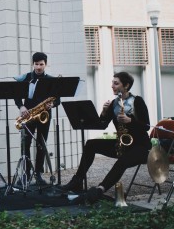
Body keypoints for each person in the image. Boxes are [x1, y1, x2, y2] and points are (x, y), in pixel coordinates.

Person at [61, 72, 151, 203]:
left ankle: (100, 189)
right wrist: (103, 113)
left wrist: (130, 121)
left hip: (141, 147)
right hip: (122, 144)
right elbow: (101, 125)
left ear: (126, 85)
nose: (112, 86)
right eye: (112, 83)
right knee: (91, 144)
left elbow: (147, 126)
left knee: (122, 161)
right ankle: (77, 181)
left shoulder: (138, 101)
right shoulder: (115, 103)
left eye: (116, 83)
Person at [14, 52, 60, 185]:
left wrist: (53, 104)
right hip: (28, 114)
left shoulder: (51, 80)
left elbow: (57, 99)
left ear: (46, 64)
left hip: (44, 114)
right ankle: (26, 174)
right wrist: (21, 106)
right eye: (36, 64)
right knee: (25, 144)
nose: (38, 67)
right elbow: (16, 94)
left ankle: (38, 174)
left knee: (42, 144)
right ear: (32, 64)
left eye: (41, 64)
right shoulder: (26, 78)